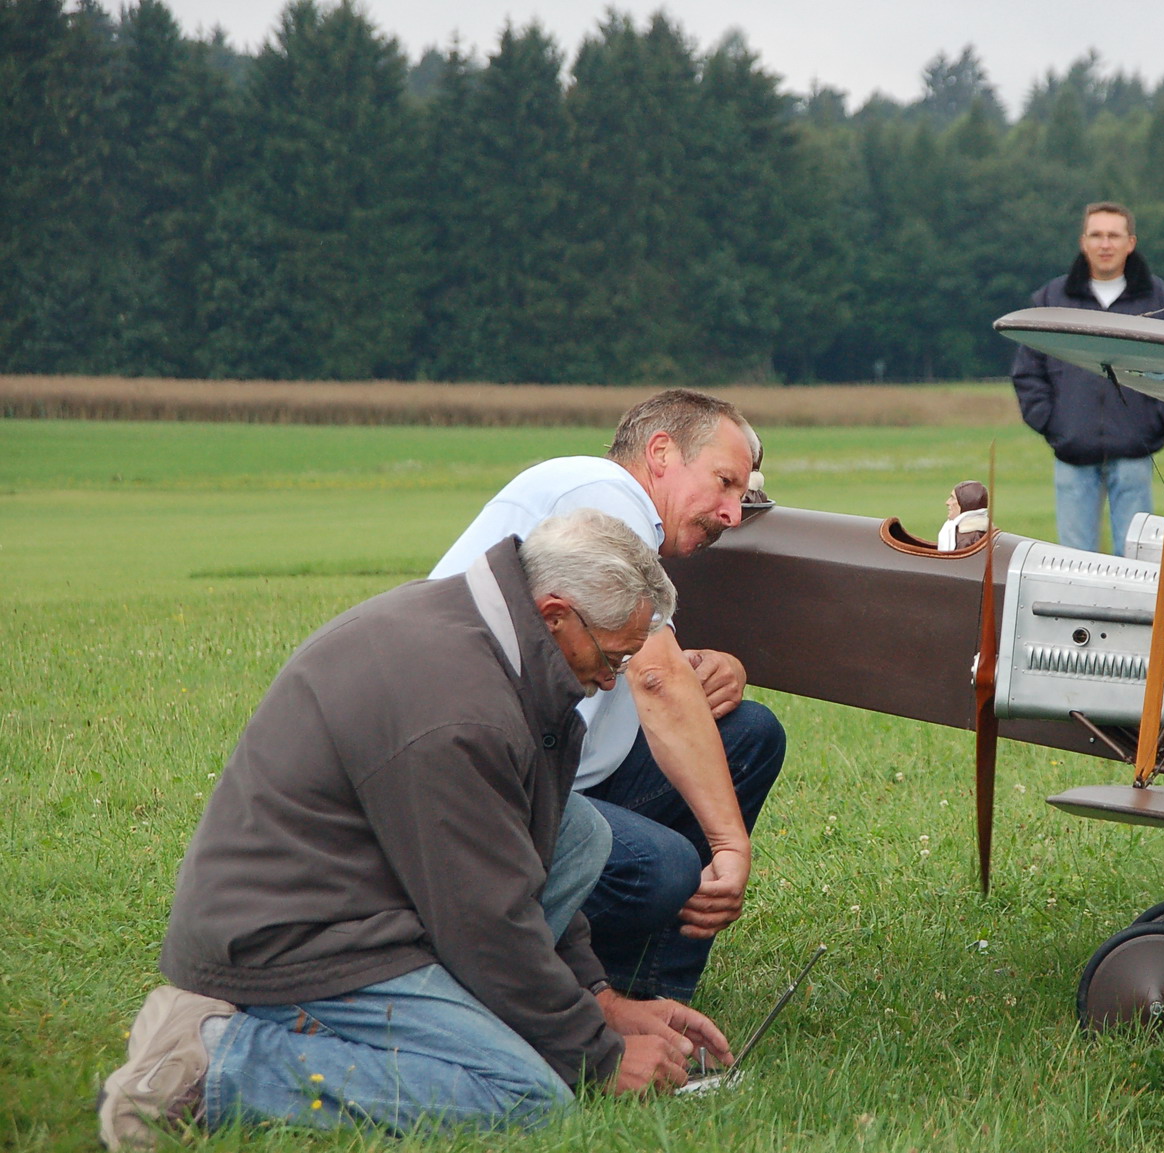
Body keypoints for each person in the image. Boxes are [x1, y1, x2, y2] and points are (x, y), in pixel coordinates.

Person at [99, 510, 730, 1148]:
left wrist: (596, 1000)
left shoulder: (489, 634)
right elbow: (484, 922)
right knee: (526, 1096)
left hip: (368, 891)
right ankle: (211, 1060)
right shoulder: (459, 711)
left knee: (582, 831)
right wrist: (599, 1056)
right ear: (555, 615)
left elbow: (528, 852)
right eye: (612, 656)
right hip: (295, 940)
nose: (611, 678)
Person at [430, 389, 785, 1004]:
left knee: (749, 734)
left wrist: (712, 666)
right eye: (724, 483)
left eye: (742, 495)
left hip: (558, 769)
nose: (732, 514)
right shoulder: (603, 492)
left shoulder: (619, 518)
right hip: (480, 790)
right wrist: (729, 844)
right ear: (661, 453)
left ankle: (655, 996)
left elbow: (634, 662)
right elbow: (654, 679)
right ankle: (572, 995)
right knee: (661, 868)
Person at [1012, 202, 1164, 556]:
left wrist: (1155, 424)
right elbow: (1028, 371)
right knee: (1074, 561)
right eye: (1096, 235)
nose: (1105, 244)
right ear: (1083, 241)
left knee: (1135, 560)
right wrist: (1054, 425)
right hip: (1072, 453)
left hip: (1135, 452)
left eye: (1114, 236)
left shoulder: (1160, 300)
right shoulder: (1051, 299)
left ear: (1130, 242)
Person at [937, 480, 989, 550]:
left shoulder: (967, 540)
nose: (947, 502)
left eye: (953, 498)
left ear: (964, 503)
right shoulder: (961, 533)